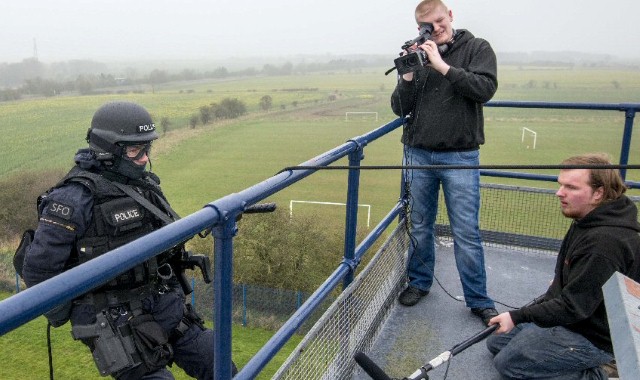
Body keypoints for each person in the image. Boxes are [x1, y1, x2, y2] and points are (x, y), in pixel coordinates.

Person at [22, 101, 237, 379]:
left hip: (161, 303)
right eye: (135, 150)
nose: (144, 158)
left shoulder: (143, 186)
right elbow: (38, 270)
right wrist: (74, 313)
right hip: (114, 320)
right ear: (108, 150)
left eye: (146, 149)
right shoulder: (72, 199)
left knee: (221, 365)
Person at [390, 0, 499, 324]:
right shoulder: (419, 57)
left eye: (439, 22)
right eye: (427, 25)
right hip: (419, 152)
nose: (435, 29)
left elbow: (484, 89)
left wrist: (441, 65)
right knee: (420, 225)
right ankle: (420, 283)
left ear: (450, 16)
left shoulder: (477, 48)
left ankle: (479, 299)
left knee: (465, 231)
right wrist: (408, 75)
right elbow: (400, 108)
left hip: (460, 155)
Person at [486, 153, 640, 379]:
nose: (559, 193)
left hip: (598, 336)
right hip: (582, 314)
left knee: (509, 364)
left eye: (571, 187)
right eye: (560, 185)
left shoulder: (605, 243)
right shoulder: (589, 218)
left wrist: (518, 316)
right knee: (496, 341)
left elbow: (573, 307)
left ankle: (607, 370)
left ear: (598, 193)